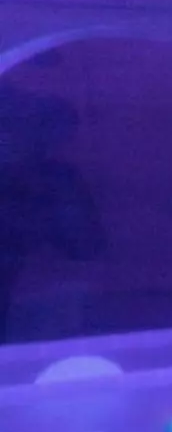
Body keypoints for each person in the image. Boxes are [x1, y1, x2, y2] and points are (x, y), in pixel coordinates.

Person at [0, 88, 106, 342]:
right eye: (4, 125)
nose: (6, 136)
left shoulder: (57, 180)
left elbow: (86, 250)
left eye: (14, 126)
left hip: (31, 327)